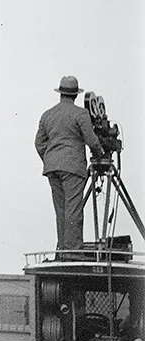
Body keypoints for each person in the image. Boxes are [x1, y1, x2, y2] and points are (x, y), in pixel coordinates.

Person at [35, 76, 105, 256]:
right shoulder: (81, 114)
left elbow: (39, 143)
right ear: (75, 95)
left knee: (61, 211)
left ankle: (63, 251)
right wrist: (100, 153)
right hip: (73, 168)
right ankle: (73, 252)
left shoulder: (47, 114)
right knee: (73, 211)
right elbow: (92, 140)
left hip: (52, 168)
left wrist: (51, 158)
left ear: (60, 94)